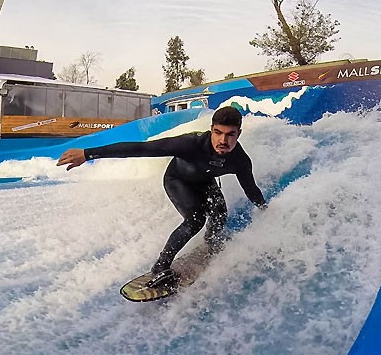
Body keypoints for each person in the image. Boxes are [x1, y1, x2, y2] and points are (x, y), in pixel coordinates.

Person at [57, 106, 267, 288]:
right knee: (195, 219)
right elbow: (140, 149)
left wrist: (266, 210)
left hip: (205, 182)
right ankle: (160, 267)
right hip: (178, 180)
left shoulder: (240, 160)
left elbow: (251, 190)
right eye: (218, 133)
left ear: (238, 134)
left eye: (230, 134)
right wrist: (88, 153)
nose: (223, 140)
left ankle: (211, 244)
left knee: (220, 214)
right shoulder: (190, 144)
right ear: (211, 130)